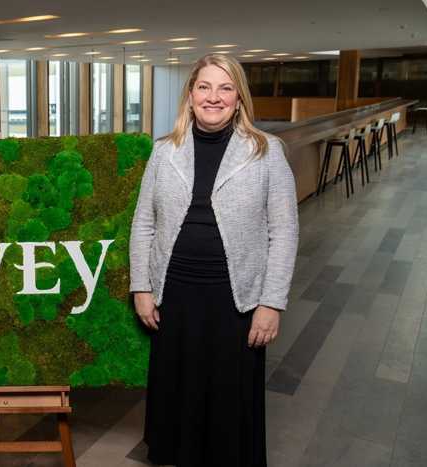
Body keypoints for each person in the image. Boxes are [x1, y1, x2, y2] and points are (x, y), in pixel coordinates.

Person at [129, 54, 298, 466]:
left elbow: (284, 231)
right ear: (190, 95)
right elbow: (144, 223)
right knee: (179, 393)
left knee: (229, 402)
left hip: (235, 299)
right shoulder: (164, 151)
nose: (213, 97)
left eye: (225, 88)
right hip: (175, 295)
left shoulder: (266, 151)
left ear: (239, 98)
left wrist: (271, 303)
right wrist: (141, 287)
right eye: (204, 87)